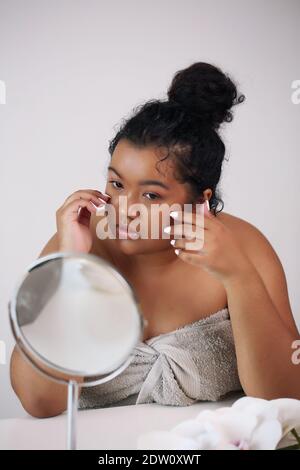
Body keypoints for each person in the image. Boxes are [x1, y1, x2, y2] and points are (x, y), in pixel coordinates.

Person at [10, 62, 300, 418]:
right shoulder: (80, 240)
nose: (124, 209)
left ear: (199, 201)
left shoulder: (245, 248)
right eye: (116, 184)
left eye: (151, 196)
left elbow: (285, 396)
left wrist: (239, 278)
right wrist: (69, 267)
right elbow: (39, 402)